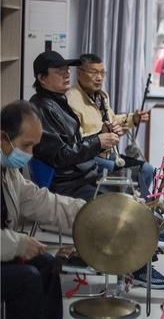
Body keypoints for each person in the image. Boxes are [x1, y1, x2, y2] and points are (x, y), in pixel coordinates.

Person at [28, 51, 164, 289]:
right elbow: (60, 155)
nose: (66, 75)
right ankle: (138, 266)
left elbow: (73, 143)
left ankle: (154, 236)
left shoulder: (58, 101)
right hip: (69, 183)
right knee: (122, 208)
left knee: (134, 188)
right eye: (59, 72)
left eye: (67, 70)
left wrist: (100, 135)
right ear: (42, 78)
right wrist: (98, 141)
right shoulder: (41, 109)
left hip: (84, 174)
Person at [1, 100, 85, 319]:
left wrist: (90, 214)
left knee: (48, 264)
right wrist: (18, 244)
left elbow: (43, 202)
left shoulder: (8, 172)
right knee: (26, 279)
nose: (30, 154)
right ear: (3, 138)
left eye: (33, 147)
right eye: (26, 145)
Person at [67, 54, 154, 200]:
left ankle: (135, 207)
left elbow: (112, 119)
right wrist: (102, 134)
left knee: (147, 169)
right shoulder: (72, 100)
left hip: (109, 155)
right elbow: (76, 141)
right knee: (126, 174)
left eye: (102, 73)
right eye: (94, 72)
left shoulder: (101, 96)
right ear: (80, 73)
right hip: (90, 159)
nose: (99, 78)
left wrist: (133, 118)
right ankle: (123, 207)